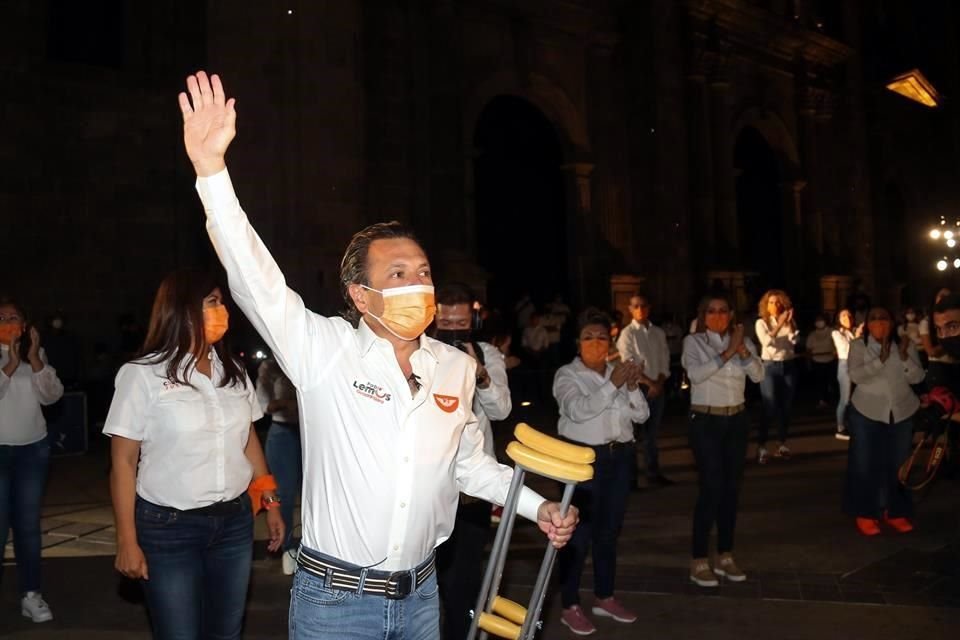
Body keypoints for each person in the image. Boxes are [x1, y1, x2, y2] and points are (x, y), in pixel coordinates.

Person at [178, 70, 578, 640]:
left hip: (421, 598)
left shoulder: (456, 369)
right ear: (362, 297)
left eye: (423, 273)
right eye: (397, 274)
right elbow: (255, 280)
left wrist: (536, 506)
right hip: (335, 604)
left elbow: (465, 464)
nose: (418, 284)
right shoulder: (325, 352)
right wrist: (212, 172)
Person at [103, 271, 285, 640]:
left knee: (225, 633)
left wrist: (271, 501)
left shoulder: (232, 372)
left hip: (234, 524)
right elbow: (122, 464)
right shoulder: (142, 375)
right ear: (182, 311)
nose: (223, 312)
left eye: (222, 302)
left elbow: (248, 439)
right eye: (212, 302)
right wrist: (127, 540)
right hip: (169, 529)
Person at [555, 309, 648, 635]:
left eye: (602, 337)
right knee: (576, 537)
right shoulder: (567, 375)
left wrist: (632, 385)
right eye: (588, 337)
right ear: (577, 342)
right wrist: (614, 384)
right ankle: (569, 605)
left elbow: (641, 416)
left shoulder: (615, 371)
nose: (596, 343)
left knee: (609, 533)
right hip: (582, 461)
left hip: (619, 458)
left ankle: (604, 596)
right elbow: (578, 410)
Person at [432, 282, 511, 640]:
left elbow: (502, 409)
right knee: (426, 579)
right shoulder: (420, 351)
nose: (452, 331)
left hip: (472, 489)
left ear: (473, 320)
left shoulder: (487, 354)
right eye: (445, 324)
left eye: (460, 323)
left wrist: (479, 373)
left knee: (464, 579)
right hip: (429, 485)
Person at [682, 293, 764, 587]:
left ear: (731, 314)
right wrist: (728, 352)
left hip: (737, 420)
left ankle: (726, 555)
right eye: (711, 311)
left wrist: (742, 353)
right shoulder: (694, 342)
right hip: (706, 421)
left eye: (722, 311)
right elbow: (696, 374)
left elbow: (758, 375)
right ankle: (699, 559)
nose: (717, 316)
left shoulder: (741, 340)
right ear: (703, 316)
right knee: (711, 487)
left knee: (731, 489)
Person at [0, 298, 64, 623]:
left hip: (32, 451)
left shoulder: (33, 357)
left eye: (15, 318)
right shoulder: (9, 360)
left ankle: (31, 594)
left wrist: (35, 359)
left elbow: (52, 396)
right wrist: (10, 364)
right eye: (2, 318)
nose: (9, 322)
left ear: (25, 327)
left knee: (27, 526)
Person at [844, 307, 923, 536]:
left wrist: (905, 356)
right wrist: (881, 359)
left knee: (899, 465)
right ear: (867, 323)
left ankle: (895, 511)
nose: (879, 323)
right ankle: (866, 512)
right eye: (874, 319)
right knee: (865, 464)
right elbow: (856, 375)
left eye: (884, 318)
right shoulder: (859, 346)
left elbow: (917, 377)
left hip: (901, 411)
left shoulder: (904, 345)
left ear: (892, 321)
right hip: (867, 410)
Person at [617, 294, 673, 487]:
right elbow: (628, 362)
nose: (640, 309)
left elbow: (665, 359)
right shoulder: (628, 334)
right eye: (636, 306)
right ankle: (631, 478)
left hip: (657, 387)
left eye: (643, 305)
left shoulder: (658, 332)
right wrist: (650, 383)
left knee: (652, 435)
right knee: (632, 436)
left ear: (648, 308)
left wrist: (659, 383)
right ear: (630, 309)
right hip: (637, 388)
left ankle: (653, 473)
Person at [257, 356, 302, 575]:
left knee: (317, 492)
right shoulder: (270, 366)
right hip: (282, 433)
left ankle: (312, 547)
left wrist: (285, 402)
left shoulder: (306, 358)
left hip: (309, 433)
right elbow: (265, 405)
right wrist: (289, 402)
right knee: (283, 492)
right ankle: (288, 548)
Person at [755, 289, 799, 463]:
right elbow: (766, 342)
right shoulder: (761, 323)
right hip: (770, 367)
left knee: (786, 406)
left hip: (788, 365)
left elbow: (794, 342)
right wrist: (779, 325)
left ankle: (781, 443)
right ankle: (762, 445)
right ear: (766, 305)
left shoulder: (789, 321)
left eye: (778, 302)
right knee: (770, 404)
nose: (775, 305)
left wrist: (790, 325)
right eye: (771, 302)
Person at [920, 288, 957, 388]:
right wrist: (951, 342)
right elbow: (931, 352)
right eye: (942, 296)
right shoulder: (926, 323)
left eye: (949, 296)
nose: (946, 299)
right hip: (940, 369)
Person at [831, 309, 859, 441]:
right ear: (838, 319)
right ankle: (840, 428)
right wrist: (858, 336)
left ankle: (853, 425)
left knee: (856, 398)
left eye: (849, 315)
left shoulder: (852, 332)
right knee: (845, 399)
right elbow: (847, 349)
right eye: (843, 316)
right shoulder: (837, 333)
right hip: (845, 365)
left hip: (857, 365)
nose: (847, 317)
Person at [805, 313, 837, 410]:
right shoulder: (812, 334)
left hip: (831, 360)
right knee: (820, 382)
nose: (819, 322)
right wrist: (808, 362)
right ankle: (822, 400)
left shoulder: (832, 332)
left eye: (821, 319)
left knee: (831, 381)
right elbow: (808, 350)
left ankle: (833, 400)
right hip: (817, 361)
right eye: (817, 320)